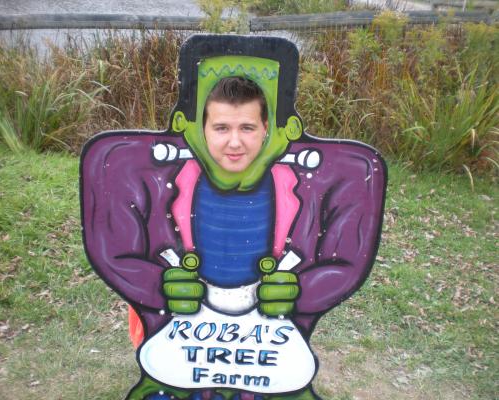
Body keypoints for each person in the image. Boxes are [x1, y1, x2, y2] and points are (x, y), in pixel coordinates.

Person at [80, 34, 387, 400]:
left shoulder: (320, 178)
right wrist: (157, 283)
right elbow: (114, 250)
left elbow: (345, 259)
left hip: (268, 338)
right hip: (180, 333)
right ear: (195, 127)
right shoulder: (146, 171)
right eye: (221, 128)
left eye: (247, 128)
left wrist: (303, 290)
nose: (235, 143)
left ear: (270, 129)